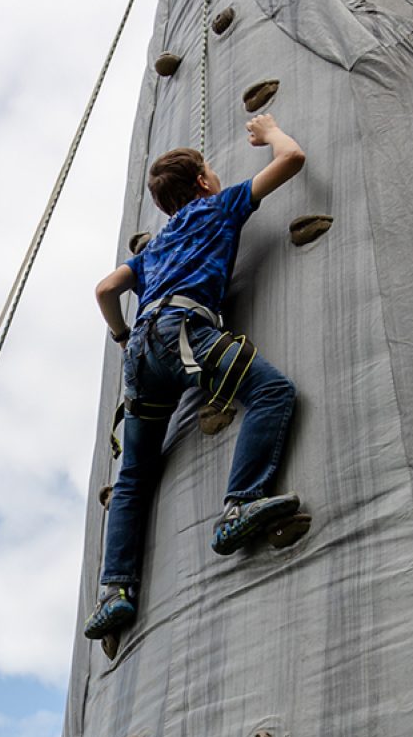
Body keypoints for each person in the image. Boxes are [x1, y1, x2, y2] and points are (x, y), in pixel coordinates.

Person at [84, 114, 309, 641]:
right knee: (271, 391)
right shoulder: (220, 206)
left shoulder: (152, 250)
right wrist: (270, 132)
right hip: (182, 330)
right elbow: (293, 159)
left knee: (135, 477)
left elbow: (104, 289)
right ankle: (240, 503)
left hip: (140, 352)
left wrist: (120, 336)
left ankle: (114, 591)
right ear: (205, 182)